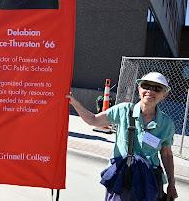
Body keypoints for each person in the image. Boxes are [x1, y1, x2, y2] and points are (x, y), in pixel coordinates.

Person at [67, 72, 178, 201]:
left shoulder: (166, 123)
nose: (150, 91)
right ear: (139, 88)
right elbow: (93, 120)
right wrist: (74, 102)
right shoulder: (123, 110)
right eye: (146, 86)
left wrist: (172, 183)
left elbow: (166, 154)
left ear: (164, 94)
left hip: (148, 180)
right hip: (122, 177)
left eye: (157, 88)